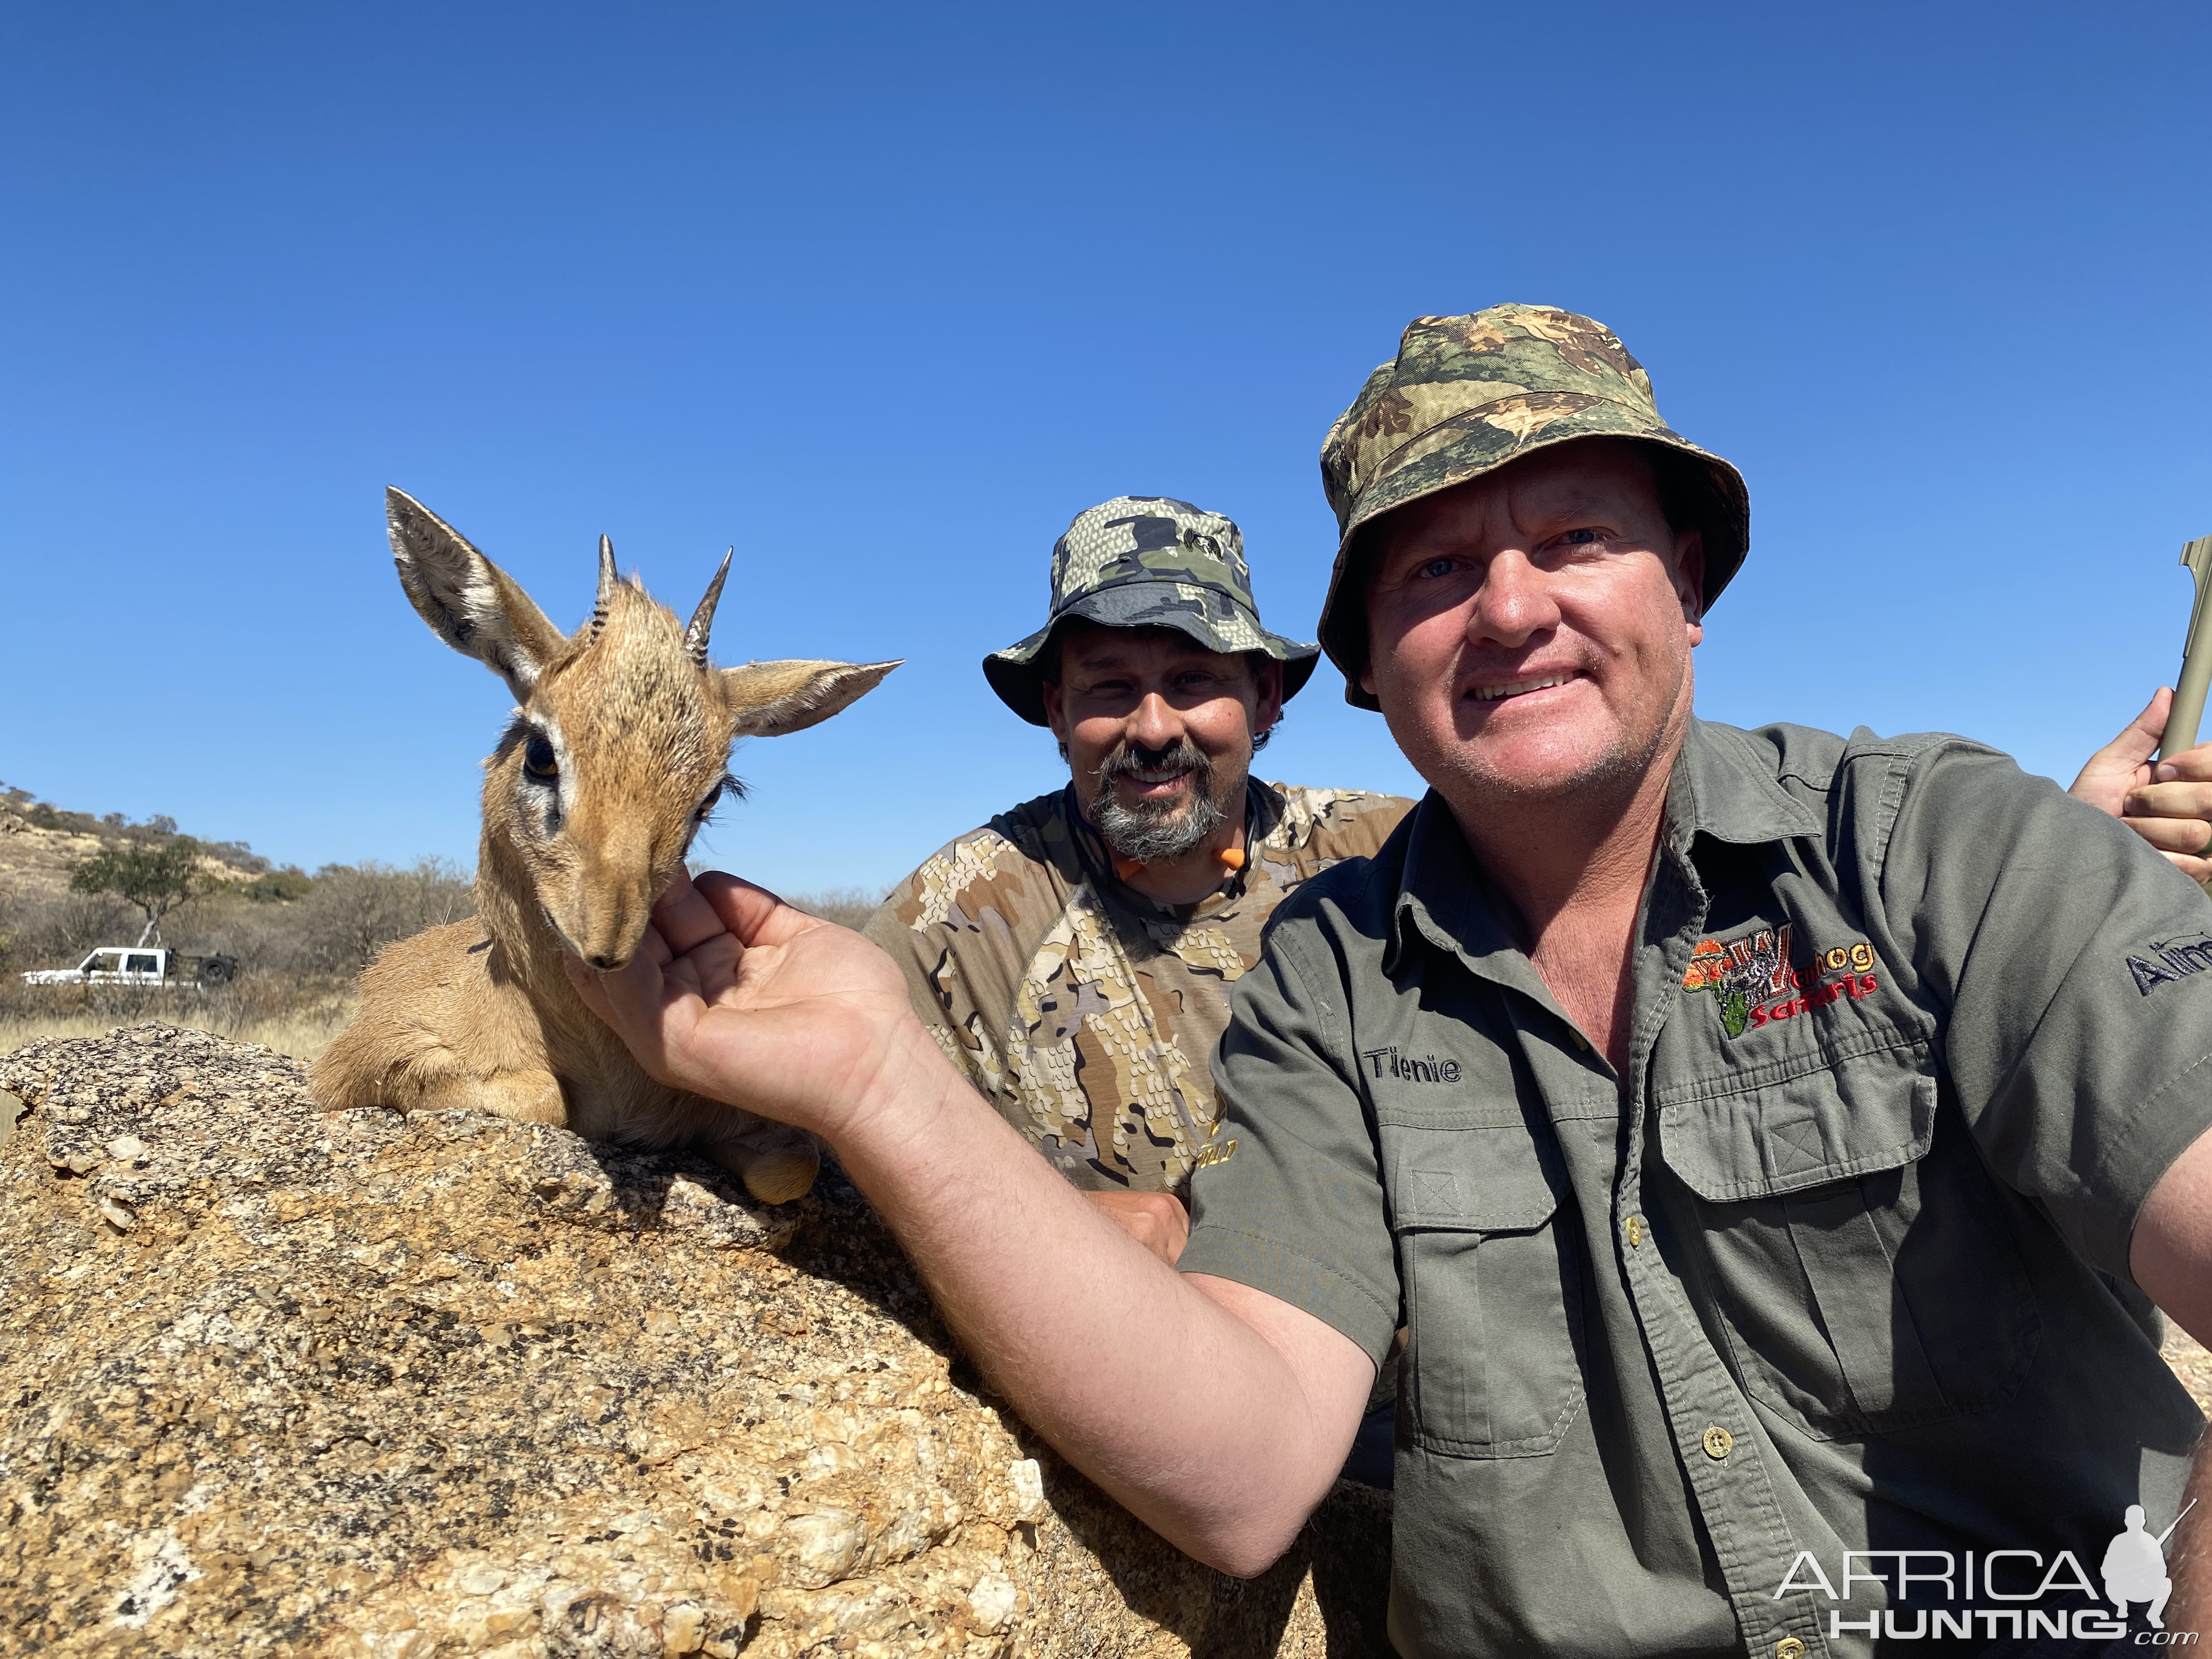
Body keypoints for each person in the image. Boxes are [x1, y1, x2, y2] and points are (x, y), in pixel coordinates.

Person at [570, 304, 2212, 1658]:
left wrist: (2082, 885)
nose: (1512, 609)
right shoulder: (1297, 960)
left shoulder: (1935, 854)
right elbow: (1234, 1431)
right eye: (1432, 572)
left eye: (1576, 535)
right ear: (1371, 669)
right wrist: (874, 1076)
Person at [863, 495, 1409, 1265]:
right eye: (1110, 688)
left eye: (1192, 681)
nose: (1152, 729)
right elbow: (849, 1153)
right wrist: (1047, 1222)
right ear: (1057, 709)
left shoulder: (1390, 855)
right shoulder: (956, 915)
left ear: (1265, 698)